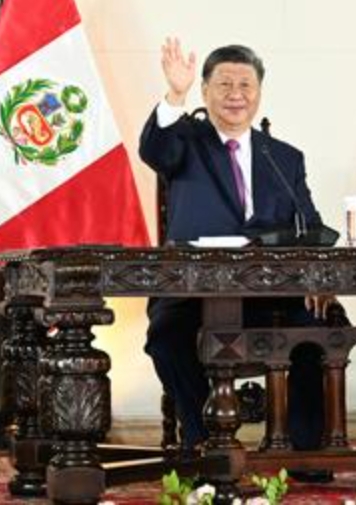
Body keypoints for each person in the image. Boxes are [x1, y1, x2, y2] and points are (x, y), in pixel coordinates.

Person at [139, 39, 335, 480]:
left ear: (259, 92)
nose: (236, 93)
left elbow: (311, 225)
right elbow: (155, 149)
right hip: (191, 291)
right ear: (206, 91)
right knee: (167, 338)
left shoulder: (283, 156)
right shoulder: (185, 142)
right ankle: (201, 442)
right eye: (224, 83)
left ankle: (304, 452)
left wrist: (319, 277)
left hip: (266, 294)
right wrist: (174, 95)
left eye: (246, 84)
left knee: (315, 331)